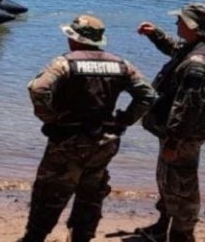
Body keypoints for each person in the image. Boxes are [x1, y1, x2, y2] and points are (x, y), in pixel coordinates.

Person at [19, 15, 154, 242]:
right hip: (103, 141)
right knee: (91, 193)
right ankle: (81, 237)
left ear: (74, 39)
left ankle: (35, 237)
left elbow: (38, 89)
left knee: (49, 193)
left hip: (68, 139)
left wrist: (50, 117)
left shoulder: (65, 63)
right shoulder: (121, 64)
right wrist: (125, 120)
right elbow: (148, 95)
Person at [134, 3, 205, 242]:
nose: (177, 24)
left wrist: (174, 141)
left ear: (194, 26)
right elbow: (176, 48)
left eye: (181, 21)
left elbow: (188, 108)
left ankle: (182, 234)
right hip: (174, 133)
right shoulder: (193, 48)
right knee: (167, 179)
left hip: (183, 136)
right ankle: (163, 225)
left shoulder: (197, 64)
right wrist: (155, 34)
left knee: (182, 185)